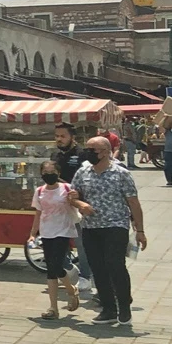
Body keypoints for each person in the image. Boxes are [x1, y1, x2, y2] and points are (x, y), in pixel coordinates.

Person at [69, 136, 146, 326]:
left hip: (115, 225)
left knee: (115, 265)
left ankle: (124, 306)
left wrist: (140, 230)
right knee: (98, 268)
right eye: (86, 149)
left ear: (105, 151)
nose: (87, 153)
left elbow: (133, 202)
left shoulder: (121, 173)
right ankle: (109, 308)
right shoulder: (83, 172)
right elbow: (72, 195)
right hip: (90, 227)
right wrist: (80, 204)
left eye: (92, 149)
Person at [29, 161, 80, 320]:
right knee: (51, 269)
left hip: (63, 231)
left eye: (51, 171)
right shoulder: (39, 191)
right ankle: (53, 308)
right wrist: (32, 234)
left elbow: (77, 203)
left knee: (56, 264)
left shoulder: (66, 188)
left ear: (58, 173)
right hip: (46, 231)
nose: (48, 174)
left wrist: (76, 198)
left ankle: (71, 291)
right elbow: (38, 214)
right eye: (45, 171)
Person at [53, 123, 93, 293]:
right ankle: (68, 270)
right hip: (58, 206)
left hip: (78, 206)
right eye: (57, 136)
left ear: (72, 137)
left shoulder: (81, 154)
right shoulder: (55, 155)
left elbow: (88, 179)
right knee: (59, 242)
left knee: (81, 243)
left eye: (63, 136)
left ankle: (86, 277)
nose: (59, 139)